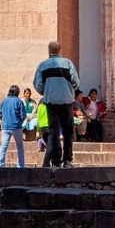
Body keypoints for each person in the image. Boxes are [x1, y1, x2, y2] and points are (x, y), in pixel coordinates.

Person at [32, 40, 81, 168]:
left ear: (49, 51)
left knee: (53, 131)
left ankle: (55, 161)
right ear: (59, 50)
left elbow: (38, 84)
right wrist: (69, 90)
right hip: (66, 101)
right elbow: (76, 81)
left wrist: (47, 92)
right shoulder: (68, 63)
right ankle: (67, 160)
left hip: (51, 102)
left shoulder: (42, 65)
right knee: (67, 131)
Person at [0, 85, 27, 168]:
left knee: (3, 146)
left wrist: (4, 121)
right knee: (19, 147)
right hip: (16, 126)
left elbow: (0, 114)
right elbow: (23, 115)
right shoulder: (18, 101)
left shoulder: (3, 101)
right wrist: (20, 122)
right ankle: (20, 165)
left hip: (5, 127)